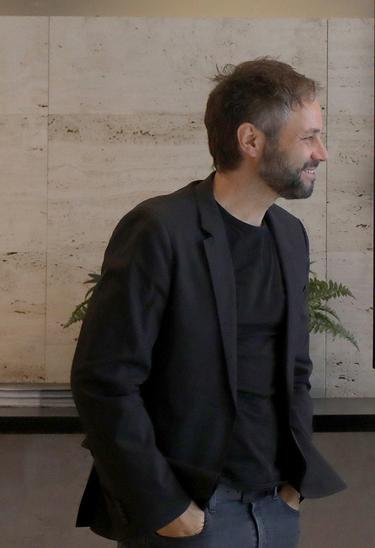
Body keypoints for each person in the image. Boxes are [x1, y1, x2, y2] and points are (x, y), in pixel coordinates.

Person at [70, 58, 345, 546]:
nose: (321, 153)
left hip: (276, 506)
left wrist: (292, 487)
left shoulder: (289, 236)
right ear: (251, 141)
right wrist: (167, 507)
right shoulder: (160, 230)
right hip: (191, 512)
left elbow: (296, 369)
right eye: (308, 137)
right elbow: (105, 381)